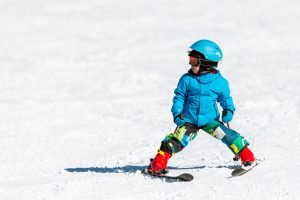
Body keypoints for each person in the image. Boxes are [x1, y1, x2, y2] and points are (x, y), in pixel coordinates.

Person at [148, 39, 256, 175]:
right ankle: (157, 164)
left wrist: (228, 109)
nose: (190, 63)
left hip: (209, 120)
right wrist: (177, 113)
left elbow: (226, 99)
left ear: (207, 63)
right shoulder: (186, 79)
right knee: (176, 141)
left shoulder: (220, 82)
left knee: (228, 135)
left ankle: (248, 157)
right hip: (189, 120)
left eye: (194, 60)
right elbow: (179, 97)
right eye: (190, 59)